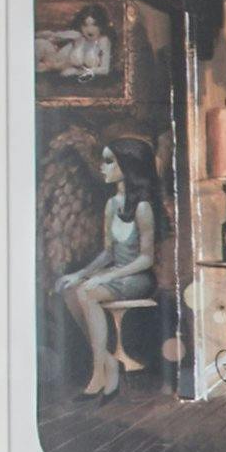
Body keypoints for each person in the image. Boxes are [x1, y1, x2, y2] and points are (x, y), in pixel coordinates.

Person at [55, 149, 157, 397]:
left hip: (138, 277)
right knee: (70, 289)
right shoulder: (111, 205)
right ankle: (107, 360)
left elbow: (146, 258)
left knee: (88, 294)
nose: (102, 167)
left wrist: (107, 277)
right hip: (115, 272)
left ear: (127, 167)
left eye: (109, 161)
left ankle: (99, 371)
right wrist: (80, 274)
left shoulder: (143, 208)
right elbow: (108, 253)